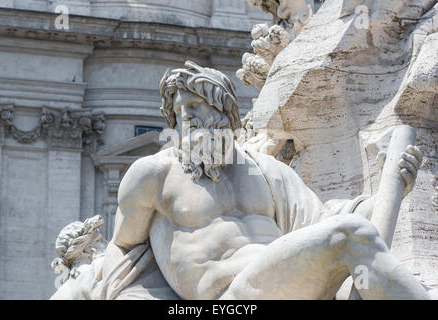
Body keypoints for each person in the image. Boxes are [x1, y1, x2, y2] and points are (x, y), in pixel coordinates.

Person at [101, 61, 431, 300]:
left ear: (223, 112)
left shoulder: (265, 170)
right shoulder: (153, 174)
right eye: (178, 110)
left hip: (288, 284)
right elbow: (122, 251)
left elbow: (321, 221)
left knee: (352, 234)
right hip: (228, 297)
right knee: (350, 235)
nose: (185, 115)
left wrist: (393, 191)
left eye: (195, 104)